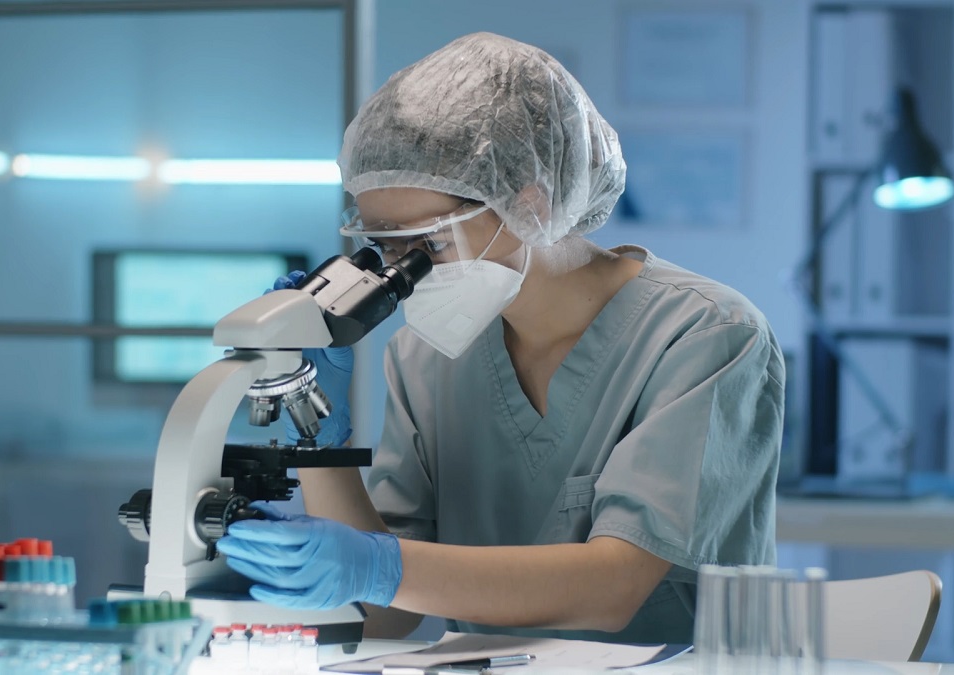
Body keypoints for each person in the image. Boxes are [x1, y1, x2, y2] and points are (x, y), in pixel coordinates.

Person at [215, 31, 785, 645]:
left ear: (530, 207)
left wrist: (378, 567)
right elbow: (387, 613)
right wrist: (318, 441)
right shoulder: (425, 356)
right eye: (384, 247)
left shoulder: (705, 334)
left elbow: (613, 588)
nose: (404, 272)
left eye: (427, 245)